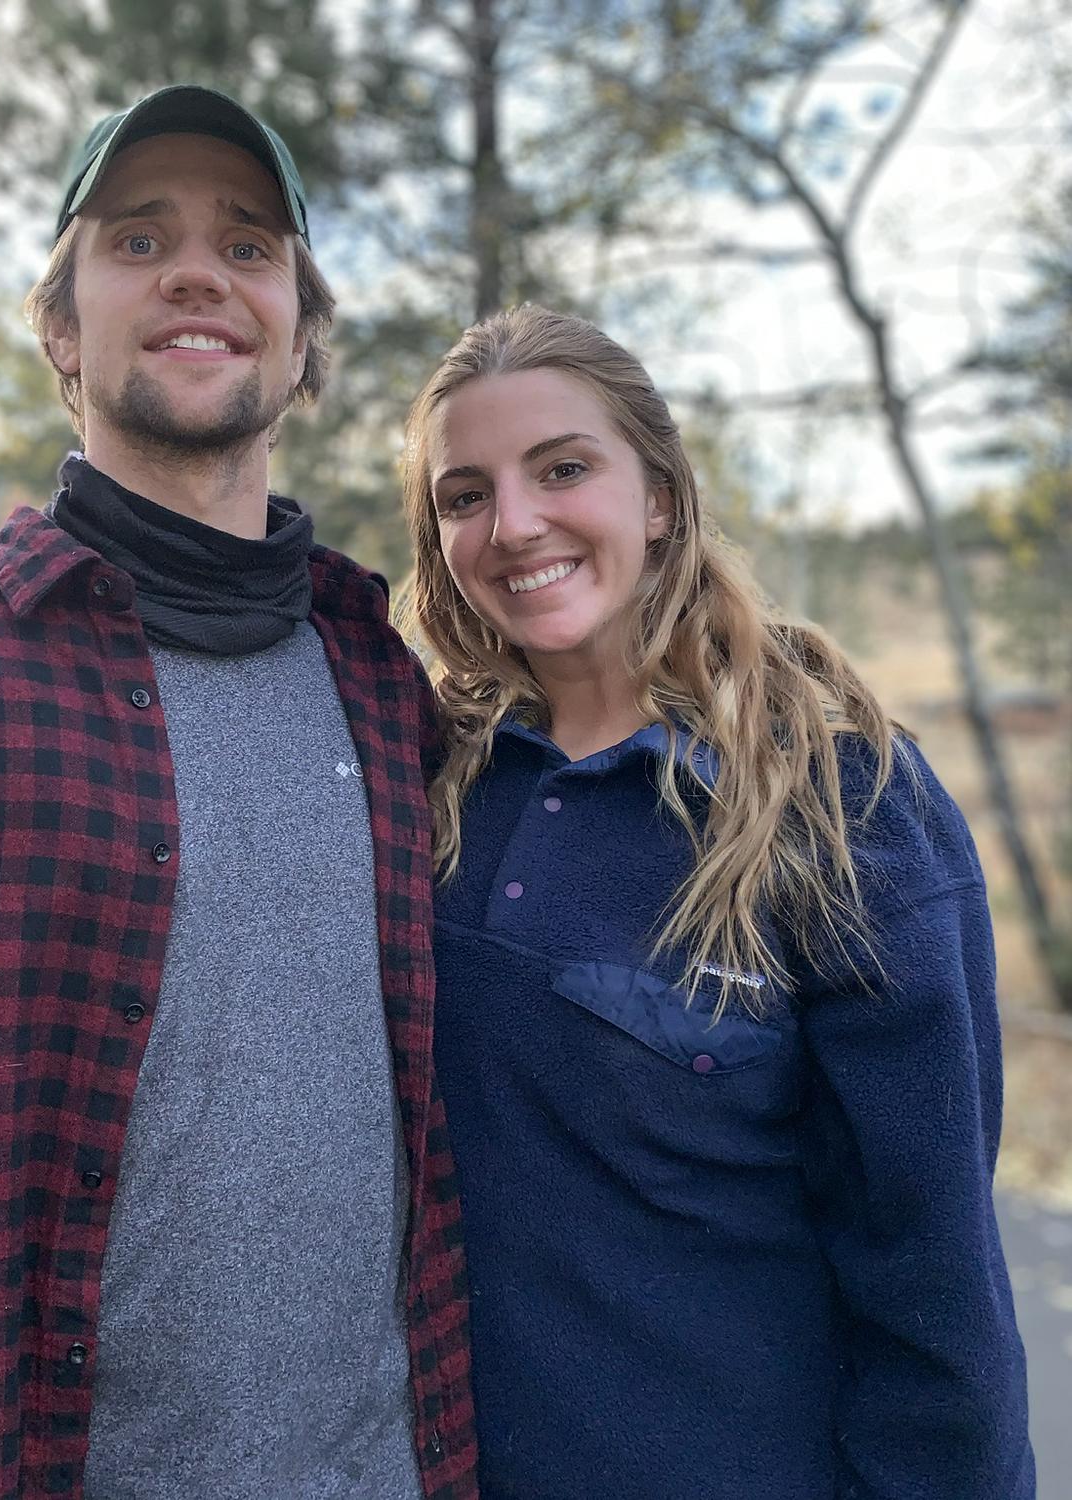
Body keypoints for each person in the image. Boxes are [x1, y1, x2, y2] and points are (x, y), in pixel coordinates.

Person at [0, 85, 476, 1500]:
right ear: (61, 328)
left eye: (252, 247)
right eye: (138, 240)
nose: (200, 271)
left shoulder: (388, 691)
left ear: (302, 340)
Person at [397, 303, 1035, 1499]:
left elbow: (932, 1277)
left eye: (564, 469)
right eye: (464, 493)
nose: (515, 522)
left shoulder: (842, 801)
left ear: (659, 497)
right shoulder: (428, 785)